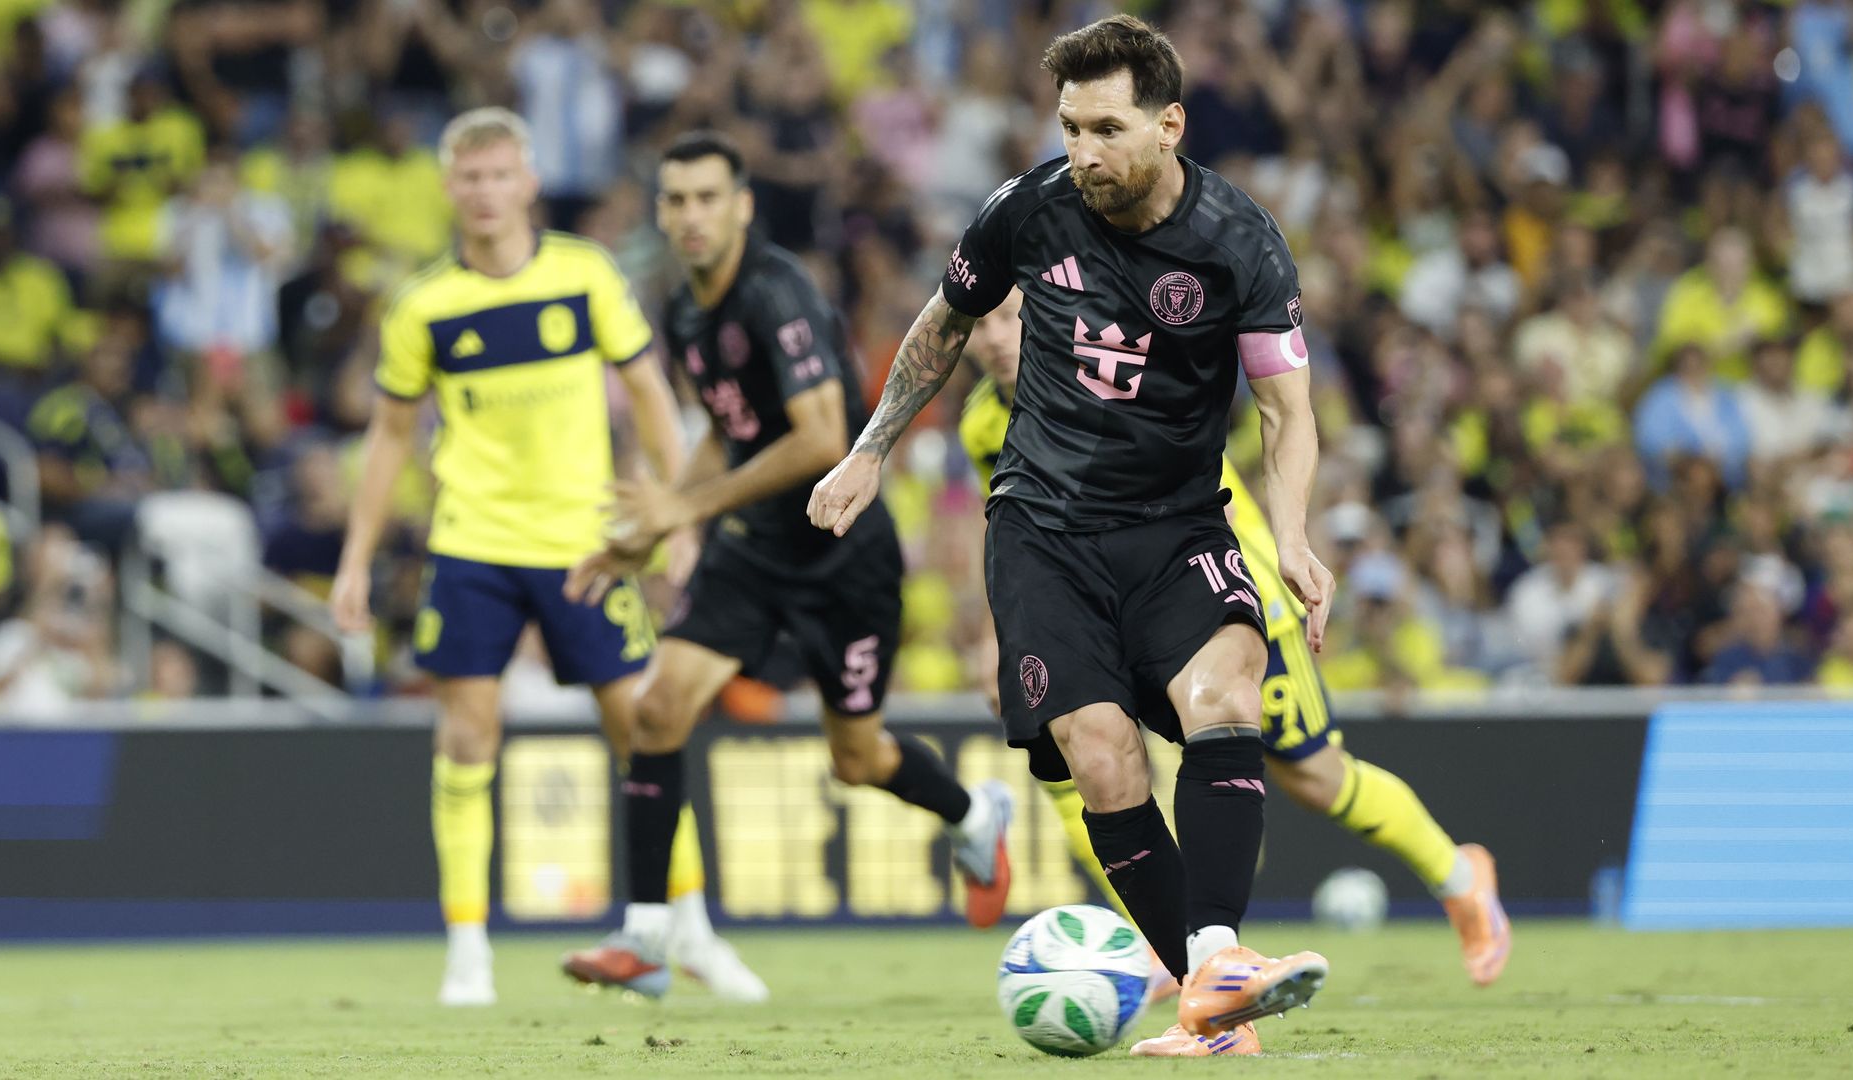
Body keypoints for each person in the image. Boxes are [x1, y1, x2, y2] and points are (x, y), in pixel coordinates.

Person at [811, 15, 1335, 1055]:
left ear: (1169, 125)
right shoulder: (1029, 208)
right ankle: (1212, 996)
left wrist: (1296, 536)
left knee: (1230, 695)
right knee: (1101, 761)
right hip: (1044, 528)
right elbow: (944, 323)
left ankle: (1220, 957)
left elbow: (1287, 409)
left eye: (1105, 128)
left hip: (1179, 521)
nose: (1083, 152)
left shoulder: (1240, 242)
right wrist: (871, 446)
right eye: (1069, 127)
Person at [559, 131, 1014, 998]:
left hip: (844, 556)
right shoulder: (686, 307)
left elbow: (819, 439)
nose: (690, 216)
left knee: (857, 760)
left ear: (741, 206)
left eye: (706, 198)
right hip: (754, 550)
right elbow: (730, 427)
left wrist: (684, 508)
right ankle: (649, 937)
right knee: (658, 712)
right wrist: (650, 532)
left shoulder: (778, 293)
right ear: (661, 212)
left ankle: (969, 813)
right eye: (675, 200)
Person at [961, 288, 1509, 1003]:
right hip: (1099, 600)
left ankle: (1462, 880)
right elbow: (1010, 518)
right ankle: (1173, 945)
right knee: (1082, 754)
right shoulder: (982, 424)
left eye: (1013, 316)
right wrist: (999, 631)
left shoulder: (1111, 366)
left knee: (1316, 778)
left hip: (1219, 585)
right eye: (982, 323)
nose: (998, 337)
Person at [328, 108, 760, 1007]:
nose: (485, 193)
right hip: (472, 546)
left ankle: (688, 931)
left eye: (499, 175)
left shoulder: (584, 275)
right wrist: (356, 558)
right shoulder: (425, 305)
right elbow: (388, 438)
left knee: (644, 729)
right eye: (469, 178)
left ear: (527, 182)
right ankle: (468, 948)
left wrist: (672, 512)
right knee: (467, 734)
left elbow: (649, 390)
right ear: (450, 190)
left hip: (585, 545)